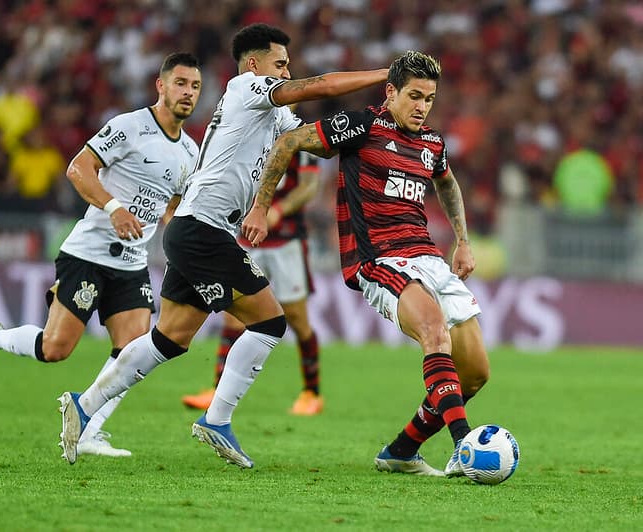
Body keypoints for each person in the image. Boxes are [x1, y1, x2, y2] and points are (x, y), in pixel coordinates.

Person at [57, 23, 389, 468]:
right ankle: (218, 420)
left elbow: (311, 142)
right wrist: (387, 74)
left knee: (169, 340)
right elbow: (321, 86)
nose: (288, 71)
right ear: (255, 65)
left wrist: (376, 119)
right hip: (202, 230)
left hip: (198, 231)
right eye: (281, 63)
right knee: (271, 321)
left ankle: (82, 407)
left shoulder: (273, 115)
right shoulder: (247, 88)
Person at [0, 52, 203, 458]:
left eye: (195, 86)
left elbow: (170, 205)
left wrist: (185, 234)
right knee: (56, 348)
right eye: (181, 83)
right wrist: (115, 208)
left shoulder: (190, 150)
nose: (188, 93)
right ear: (161, 85)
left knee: (134, 351)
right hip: (88, 253)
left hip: (132, 262)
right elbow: (78, 168)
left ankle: (89, 429)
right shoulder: (130, 126)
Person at [247, 50, 490, 477]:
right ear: (391, 91)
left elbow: (448, 184)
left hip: (429, 257)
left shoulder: (432, 143)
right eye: (414, 96)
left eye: (429, 98)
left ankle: (400, 452)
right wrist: (260, 208)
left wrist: (463, 241)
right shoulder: (362, 126)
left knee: (474, 374)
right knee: (434, 332)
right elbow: (289, 142)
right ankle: (465, 446)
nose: (421, 106)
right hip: (379, 259)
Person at [181, 151, 324, 415]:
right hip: (248, 238)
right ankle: (216, 388)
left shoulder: (300, 139)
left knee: (296, 318)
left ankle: (311, 393)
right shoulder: (254, 133)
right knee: (233, 317)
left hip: (286, 242)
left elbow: (308, 187)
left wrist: (278, 209)